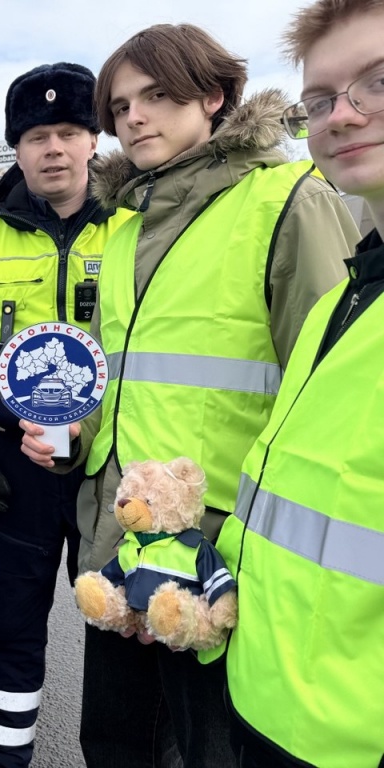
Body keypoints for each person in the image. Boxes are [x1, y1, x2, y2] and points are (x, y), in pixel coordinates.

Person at [20, 23, 360, 768]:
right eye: (119, 106)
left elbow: (339, 402)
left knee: (206, 753)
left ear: (213, 97)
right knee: (111, 745)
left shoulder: (287, 202)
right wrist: (72, 437)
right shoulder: (122, 225)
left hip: (222, 568)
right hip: (118, 546)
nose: (133, 118)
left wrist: (226, 551)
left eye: (157, 96)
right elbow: (123, 381)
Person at [0, 62, 133, 767]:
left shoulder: (136, 232)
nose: (54, 148)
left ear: (94, 139)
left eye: (69, 130)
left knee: (124, 630)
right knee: (10, 635)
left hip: (112, 467)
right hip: (12, 470)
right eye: (37, 135)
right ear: (16, 148)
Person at [216, 2, 384, 765]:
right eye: (320, 100)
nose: (343, 116)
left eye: (378, 84)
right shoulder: (343, 304)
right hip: (268, 706)